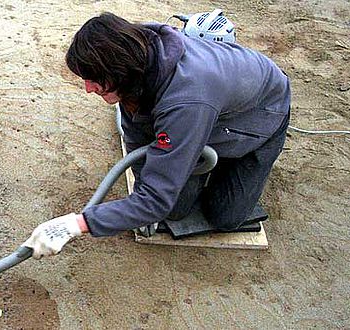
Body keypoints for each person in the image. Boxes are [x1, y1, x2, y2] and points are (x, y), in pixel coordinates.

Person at [21, 12, 290, 258]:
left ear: (119, 72)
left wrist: (74, 225)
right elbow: (137, 135)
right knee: (175, 210)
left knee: (226, 216)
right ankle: (194, 151)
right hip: (206, 113)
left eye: (94, 80)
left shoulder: (185, 100)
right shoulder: (137, 60)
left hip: (258, 117)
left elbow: (156, 201)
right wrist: (139, 204)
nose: (88, 89)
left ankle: (228, 161)